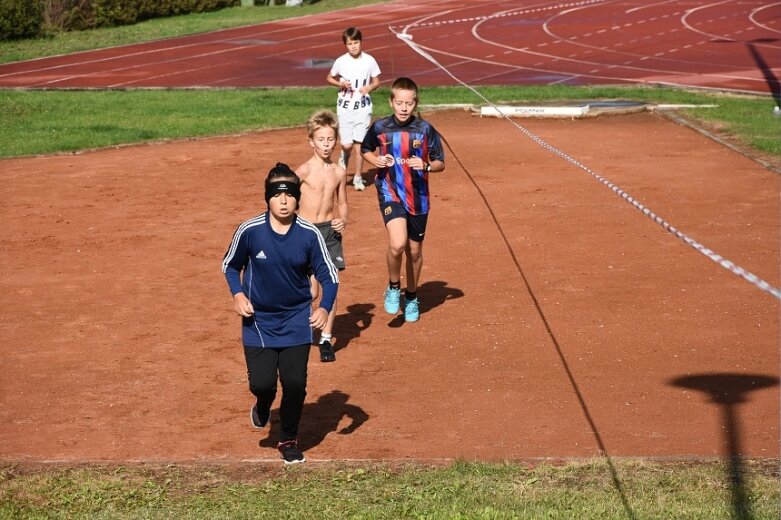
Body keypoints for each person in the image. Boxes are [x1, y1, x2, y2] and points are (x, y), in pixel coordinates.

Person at [222, 163, 339, 465]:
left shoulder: (309, 234)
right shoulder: (250, 231)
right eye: (277, 195)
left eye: (290, 195)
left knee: (295, 384)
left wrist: (325, 307)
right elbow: (230, 265)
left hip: (296, 319)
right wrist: (237, 294)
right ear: (268, 198)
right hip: (258, 321)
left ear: (298, 198)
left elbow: (329, 275)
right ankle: (263, 405)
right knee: (262, 384)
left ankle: (288, 438)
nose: (284, 201)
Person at [360, 77, 445, 323]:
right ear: (391, 102)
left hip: (418, 197)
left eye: (409, 103)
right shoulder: (380, 127)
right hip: (390, 191)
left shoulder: (425, 130)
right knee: (398, 244)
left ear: (415, 102)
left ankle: (412, 295)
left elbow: (440, 163)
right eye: (399, 103)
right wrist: (374, 161)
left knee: (414, 251)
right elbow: (365, 149)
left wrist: (427, 166)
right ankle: (394, 286)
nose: (404, 108)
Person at [295, 110, 348, 363]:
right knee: (312, 291)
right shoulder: (303, 171)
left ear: (335, 140)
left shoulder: (338, 172)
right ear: (311, 141)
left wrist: (343, 220)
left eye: (330, 140)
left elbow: (343, 203)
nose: (326, 145)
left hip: (330, 233)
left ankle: (326, 339)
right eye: (321, 140)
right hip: (305, 233)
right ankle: (301, 327)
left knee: (331, 287)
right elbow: (284, 197)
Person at [326, 26, 381, 192]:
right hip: (345, 108)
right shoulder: (341, 61)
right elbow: (329, 77)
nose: (354, 46)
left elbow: (376, 81)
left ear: (361, 42)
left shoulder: (369, 60)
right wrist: (340, 83)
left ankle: (358, 177)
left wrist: (369, 88)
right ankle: (344, 154)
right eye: (350, 44)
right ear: (346, 45)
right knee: (347, 144)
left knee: (360, 144)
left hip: (363, 108)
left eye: (356, 42)